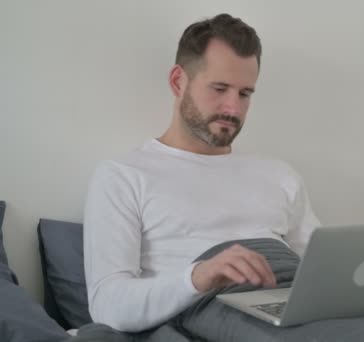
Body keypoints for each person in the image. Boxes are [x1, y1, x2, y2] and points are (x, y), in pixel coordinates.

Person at [83, 13, 320, 333]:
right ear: (178, 81)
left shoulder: (280, 175)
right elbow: (107, 305)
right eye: (220, 88)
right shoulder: (123, 177)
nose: (233, 108)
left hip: (291, 312)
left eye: (245, 93)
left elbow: (324, 274)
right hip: (213, 315)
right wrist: (196, 277)